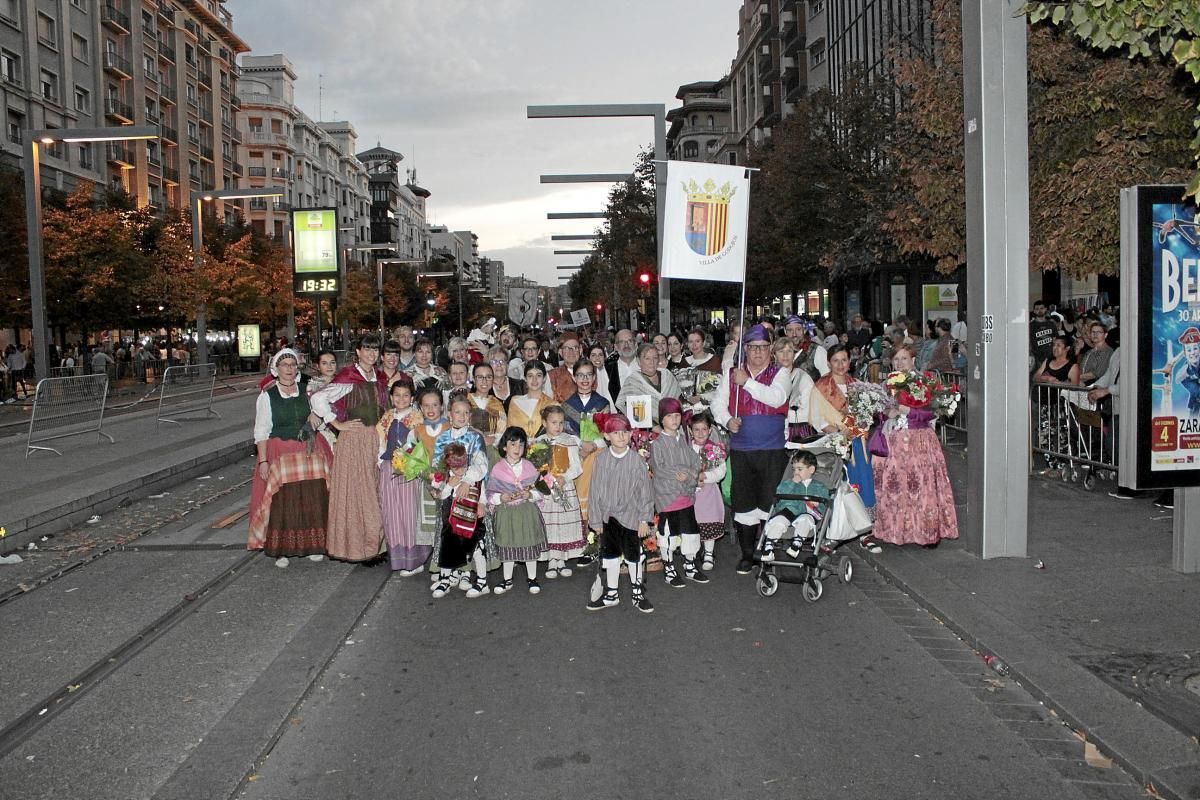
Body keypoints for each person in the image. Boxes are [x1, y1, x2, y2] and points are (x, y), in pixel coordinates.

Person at [711, 324, 792, 573]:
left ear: (770, 350)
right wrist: (727, 420)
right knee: (743, 500)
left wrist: (747, 383)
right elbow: (717, 404)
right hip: (742, 449)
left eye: (763, 347)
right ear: (745, 349)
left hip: (772, 450)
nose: (758, 352)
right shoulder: (731, 374)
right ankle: (748, 554)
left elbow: (776, 398)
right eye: (753, 348)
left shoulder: (781, 373)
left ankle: (767, 553)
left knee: (768, 500)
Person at [309, 335, 389, 563]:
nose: (371, 354)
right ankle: (363, 548)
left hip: (377, 438)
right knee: (360, 495)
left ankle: (376, 544)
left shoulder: (379, 376)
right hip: (355, 440)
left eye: (375, 349)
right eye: (367, 349)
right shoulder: (348, 376)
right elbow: (318, 399)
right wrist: (337, 423)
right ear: (358, 351)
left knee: (376, 491)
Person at [248, 348, 330, 566]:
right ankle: (282, 550)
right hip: (280, 452)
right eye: (285, 365)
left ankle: (314, 544)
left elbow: (321, 418)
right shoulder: (267, 396)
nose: (289, 369)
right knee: (283, 500)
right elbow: (261, 430)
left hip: (307, 451)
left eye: (293, 365)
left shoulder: (307, 392)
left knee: (312, 497)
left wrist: (316, 415)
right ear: (276, 369)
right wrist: (263, 460)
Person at [872, 344, 959, 547]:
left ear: (913, 360)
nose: (900, 363)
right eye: (896, 359)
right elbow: (880, 410)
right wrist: (886, 412)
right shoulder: (888, 384)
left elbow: (933, 412)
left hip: (919, 441)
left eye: (904, 358)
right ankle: (897, 530)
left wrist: (909, 412)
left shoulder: (925, 381)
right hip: (895, 441)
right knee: (898, 487)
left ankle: (926, 532)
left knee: (922, 486)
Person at [808, 344, 878, 552]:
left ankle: (865, 532)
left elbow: (868, 415)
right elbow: (817, 419)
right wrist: (839, 432)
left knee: (863, 484)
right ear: (829, 362)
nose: (840, 365)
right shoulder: (820, 387)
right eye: (836, 360)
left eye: (844, 360)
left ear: (850, 361)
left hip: (859, 444)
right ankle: (836, 532)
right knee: (840, 488)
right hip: (836, 444)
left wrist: (860, 426)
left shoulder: (858, 385)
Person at [585, 414, 656, 613]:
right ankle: (612, 593)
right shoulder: (600, 460)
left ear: (631, 434)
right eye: (615, 433)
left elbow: (645, 491)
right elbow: (595, 491)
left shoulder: (637, 461)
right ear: (607, 436)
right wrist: (596, 519)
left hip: (631, 517)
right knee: (611, 556)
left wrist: (644, 519)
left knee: (634, 556)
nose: (621, 437)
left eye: (625, 432)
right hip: (608, 518)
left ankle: (637, 592)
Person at [429, 395, 492, 598]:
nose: (462, 416)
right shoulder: (443, 439)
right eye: (457, 412)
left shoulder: (474, 438)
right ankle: (447, 576)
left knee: (472, 538)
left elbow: (482, 466)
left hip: (471, 494)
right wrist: (444, 484)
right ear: (449, 414)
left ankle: (474, 577)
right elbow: (437, 468)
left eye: (466, 412)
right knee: (449, 537)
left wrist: (467, 481)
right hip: (451, 495)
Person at [650, 397, 708, 587]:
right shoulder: (658, 444)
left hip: (686, 497)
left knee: (691, 532)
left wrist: (689, 475)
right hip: (668, 498)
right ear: (662, 419)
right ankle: (669, 569)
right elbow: (659, 468)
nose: (674, 420)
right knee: (668, 534)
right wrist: (679, 473)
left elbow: (696, 464)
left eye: (677, 416)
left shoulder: (684, 441)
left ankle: (690, 565)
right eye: (669, 416)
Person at [486, 426, 550, 595]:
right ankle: (507, 579)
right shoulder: (498, 469)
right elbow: (490, 494)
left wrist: (530, 494)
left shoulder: (529, 467)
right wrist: (501, 498)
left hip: (526, 512)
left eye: (521, 445)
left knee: (528, 542)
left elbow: (541, 491)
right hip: (506, 513)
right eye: (513, 444)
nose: (517, 449)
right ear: (505, 447)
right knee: (507, 544)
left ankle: (532, 578)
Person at [377, 376, 426, 572]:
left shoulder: (417, 417)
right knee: (391, 511)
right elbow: (380, 440)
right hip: (389, 467)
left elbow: (420, 444)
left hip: (408, 469)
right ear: (391, 397)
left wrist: (410, 461)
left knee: (408, 511)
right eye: (397, 395)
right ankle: (398, 558)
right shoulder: (387, 416)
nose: (401, 399)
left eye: (406, 395)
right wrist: (380, 460)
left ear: (412, 398)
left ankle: (414, 559)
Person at [533, 405, 585, 578]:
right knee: (549, 523)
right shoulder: (538, 442)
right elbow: (534, 468)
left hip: (564, 487)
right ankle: (551, 561)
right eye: (554, 422)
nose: (558, 426)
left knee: (563, 521)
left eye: (561, 423)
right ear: (544, 422)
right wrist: (543, 478)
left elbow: (577, 467)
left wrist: (565, 477)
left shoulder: (569, 440)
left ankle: (561, 560)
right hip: (547, 490)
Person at [405, 386, 451, 578]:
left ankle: (447, 563)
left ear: (442, 407)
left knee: (448, 522)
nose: (430, 409)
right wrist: (424, 472)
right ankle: (433, 559)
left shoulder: (450, 427)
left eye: (435, 405)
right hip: (426, 483)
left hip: (449, 482)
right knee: (430, 524)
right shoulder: (417, 431)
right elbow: (409, 454)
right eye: (426, 406)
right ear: (420, 408)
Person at [760, 450, 829, 561]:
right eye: (794, 469)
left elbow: (825, 501)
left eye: (800, 469)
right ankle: (769, 546)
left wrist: (818, 503)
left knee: (805, 519)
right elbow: (780, 493)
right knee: (778, 520)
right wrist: (793, 483)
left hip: (808, 513)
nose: (796, 472)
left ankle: (797, 543)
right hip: (788, 511)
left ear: (811, 469)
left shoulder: (819, 486)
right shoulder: (788, 483)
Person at [689, 412, 727, 572]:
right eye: (696, 429)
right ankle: (691, 553)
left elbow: (721, 472)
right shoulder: (685, 448)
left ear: (710, 430)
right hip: (690, 493)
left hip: (709, 492)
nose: (700, 433)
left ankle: (709, 553)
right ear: (690, 431)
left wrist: (706, 476)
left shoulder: (715, 449)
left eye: (704, 429)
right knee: (693, 523)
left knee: (709, 521)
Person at [615, 343, 680, 426]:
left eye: (655, 358)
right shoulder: (633, 381)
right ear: (638, 361)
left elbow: (678, 401)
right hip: (648, 431)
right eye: (647, 358)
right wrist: (656, 428)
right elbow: (633, 412)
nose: (652, 362)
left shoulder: (667, 374)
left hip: (674, 425)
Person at [467, 361, 507, 451]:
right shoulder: (465, 401)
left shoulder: (497, 404)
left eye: (488, 377)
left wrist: (494, 439)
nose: (484, 381)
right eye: (480, 377)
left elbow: (503, 430)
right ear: (473, 379)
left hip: (492, 450)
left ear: (493, 380)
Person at [507, 361, 555, 438]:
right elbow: (510, 431)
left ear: (544, 378)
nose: (534, 380)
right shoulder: (515, 401)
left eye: (538, 375)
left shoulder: (552, 405)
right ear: (525, 378)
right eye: (530, 376)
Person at [546, 331, 583, 402]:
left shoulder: (592, 372)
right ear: (560, 352)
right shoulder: (552, 376)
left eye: (575, 347)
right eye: (566, 348)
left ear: (580, 350)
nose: (571, 351)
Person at [604, 328, 639, 400]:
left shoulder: (645, 366)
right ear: (616, 347)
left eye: (630, 341)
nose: (626, 345)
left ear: (636, 345)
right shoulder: (607, 369)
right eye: (622, 342)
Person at [1078, 321, 1114, 386]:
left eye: (1099, 332)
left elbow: (1097, 374)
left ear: (1105, 335)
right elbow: (1081, 369)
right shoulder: (1089, 352)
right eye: (1093, 332)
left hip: (1096, 388)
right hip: (1082, 385)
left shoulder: (1107, 351)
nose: (1095, 334)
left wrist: (1076, 377)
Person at [1030, 300, 1057, 371]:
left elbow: (1056, 339)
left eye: (1041, 308)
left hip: (1051, 357)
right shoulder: (1031, 326)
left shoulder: (1051, 324)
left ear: (1045, 309)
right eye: (1037, 309)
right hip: (1037, 358)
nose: (1039, 310)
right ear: (1034, 311)